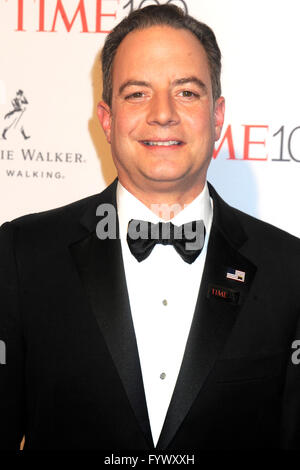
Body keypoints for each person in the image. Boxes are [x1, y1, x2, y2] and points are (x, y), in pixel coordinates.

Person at [1, 4, 300, 451]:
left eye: (187, 92)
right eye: (137, 93)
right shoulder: (22, 255)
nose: (163, 113)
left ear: (217, 116)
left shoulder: (290, 270)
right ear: (107, 119)